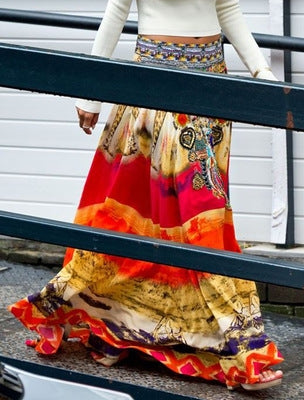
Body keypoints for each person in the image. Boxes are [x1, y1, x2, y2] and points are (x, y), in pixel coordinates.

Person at [9, 0, 283, 391]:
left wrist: (261, 70)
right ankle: (238, 346)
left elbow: (227, 8)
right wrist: (89, 94)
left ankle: (129, 331)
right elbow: (117, 10)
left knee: (192, 218)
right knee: (154, 213)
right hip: (152, 93)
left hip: (210, 94)